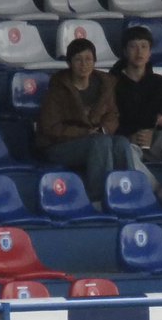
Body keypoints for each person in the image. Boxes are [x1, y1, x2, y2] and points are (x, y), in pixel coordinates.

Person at [35, 38, 135, 206]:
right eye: (78, 59)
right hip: (59, 145)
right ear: (69, 63)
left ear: (95, 61)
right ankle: (98, 199)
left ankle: (129, 194)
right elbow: (50, 127)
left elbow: (112, 115)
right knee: (100, 143)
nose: (84, 64)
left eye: (88, 59)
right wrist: (85, 133)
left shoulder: (105, 84)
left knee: (121, 143)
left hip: (95, 139)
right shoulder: (57, 89)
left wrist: (102, 130)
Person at [110, 25, 162, 198]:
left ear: (150, 53)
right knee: (126, 149)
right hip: (129, 141)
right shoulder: (112, 83)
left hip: (154, 140)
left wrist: (158, 127)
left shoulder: (159, 82)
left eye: (144, 46)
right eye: (133, 46)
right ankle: (158, 192)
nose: (139, 52)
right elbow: (110, 119)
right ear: (125, 51)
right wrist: (129, 136)